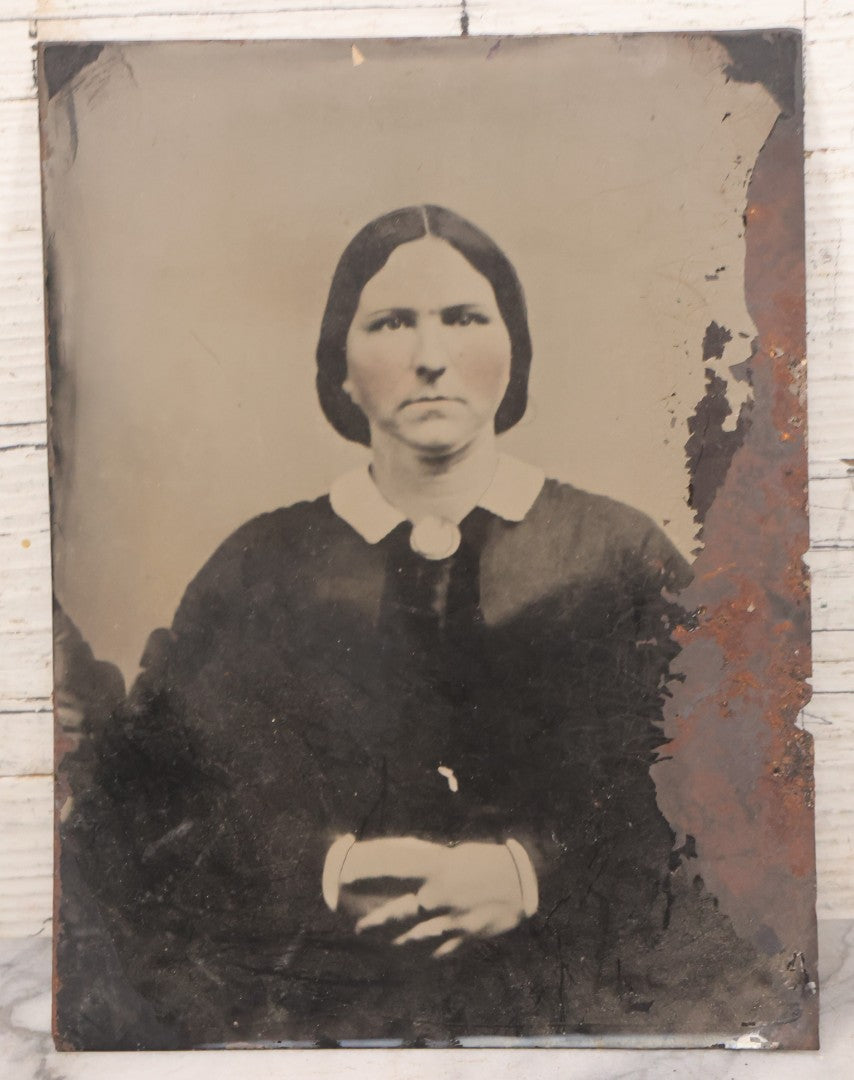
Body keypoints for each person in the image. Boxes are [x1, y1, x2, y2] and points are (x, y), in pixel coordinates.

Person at [58, 205, 798, 1049]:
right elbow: (161, 793)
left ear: (512, 349)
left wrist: (528, 874)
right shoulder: (260, 567)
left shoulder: (616, 552)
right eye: (390, 323)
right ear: (341, 366)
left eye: (464, 317)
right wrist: (327, 872)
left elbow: (720, 785)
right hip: (320, 1024)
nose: (431, 356)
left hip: (576, 1019)